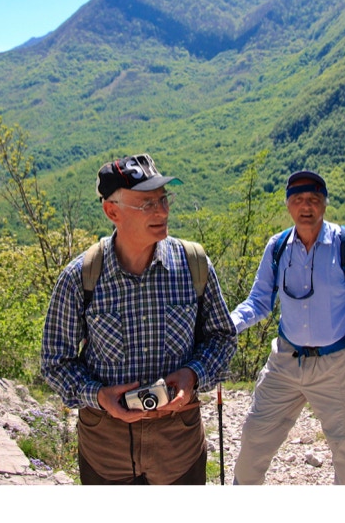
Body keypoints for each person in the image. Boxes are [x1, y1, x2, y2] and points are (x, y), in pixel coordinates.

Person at [40, 153, 236, 485]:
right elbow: (55, 362)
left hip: (178, 446)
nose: (162, 211)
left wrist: (192, 375)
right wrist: (99, 396)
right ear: (111, 211)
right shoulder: (81, 277)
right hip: (106, 450)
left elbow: (222, 338)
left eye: (163, 199)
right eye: (147, 204)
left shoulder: (193, 265)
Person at [230, 169, 345, 485]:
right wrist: (227, 325)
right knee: (254, 439)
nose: (306, 206)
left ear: (325, 204)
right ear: (288, 205)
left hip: (337, 365)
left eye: (314, 199)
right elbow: (259, 302)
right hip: (285, 362)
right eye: (298, 199)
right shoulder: (278, 247)